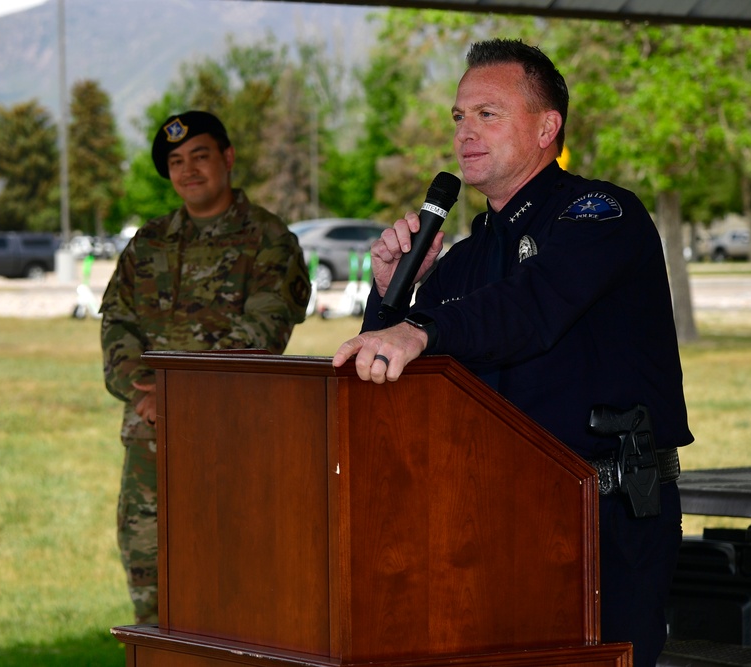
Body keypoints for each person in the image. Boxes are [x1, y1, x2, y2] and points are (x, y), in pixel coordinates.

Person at [332, 39, 692, 667]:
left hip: (601, 518)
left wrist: (421, 331)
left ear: (547, 127)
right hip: (489, 517)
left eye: (487, 114)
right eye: (458, 117)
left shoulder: (599, 218)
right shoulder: (469, 257)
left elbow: (531, 309)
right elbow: (391, 369)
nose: (465, 132)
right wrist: (390, 297)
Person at [99, 110, 312, 624]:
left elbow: (263, 335)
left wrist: (174, 395)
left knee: (235, 587)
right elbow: (117, 327)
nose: (188, 170)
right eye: (176, 161)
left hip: (230, 442)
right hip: (150, 442)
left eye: (200, 156)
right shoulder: (148, 242)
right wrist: (142, 390)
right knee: (150, 588)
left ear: (228, 158)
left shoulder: (269, 240)